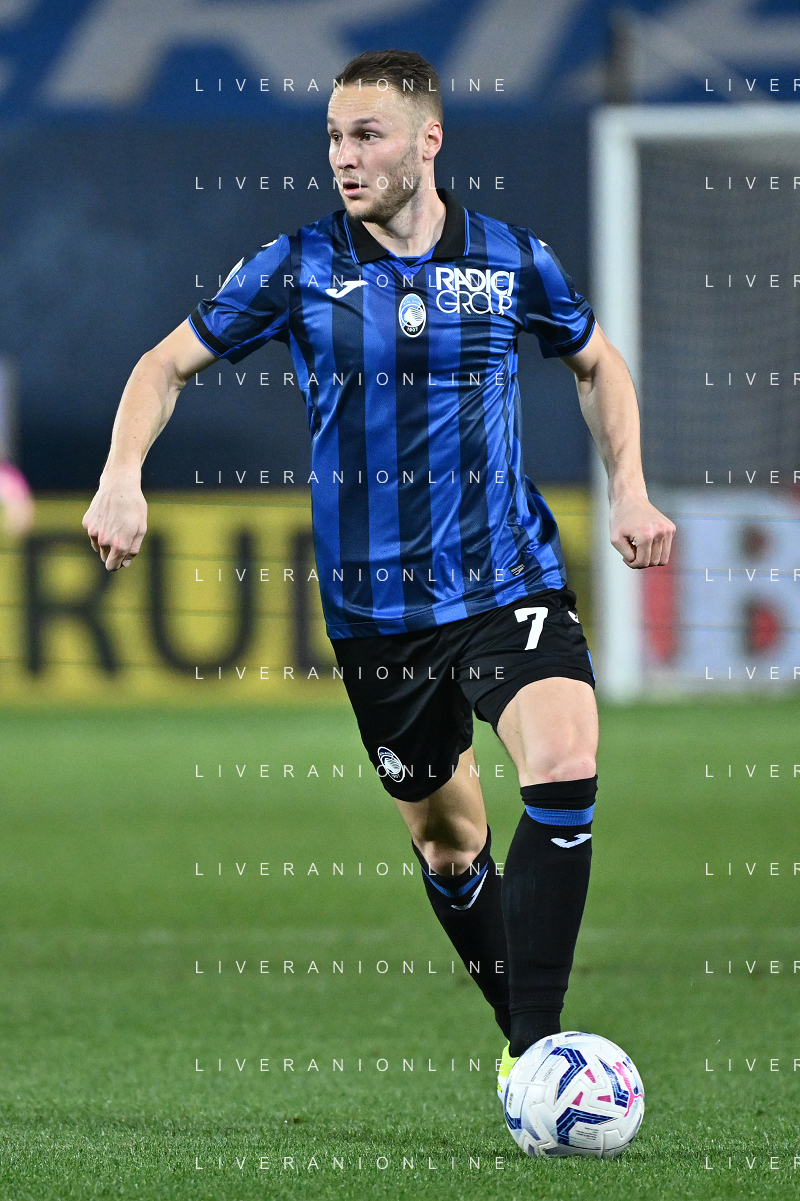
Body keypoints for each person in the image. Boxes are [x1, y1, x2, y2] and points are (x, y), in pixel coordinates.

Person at [82, 49, 674, 1098]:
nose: (343, 157)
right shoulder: (297, 266)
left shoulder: (510, 260)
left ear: (427, 141)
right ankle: (526, 1036)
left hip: (507, 579)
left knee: (562, 760)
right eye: (333, 138)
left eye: (366, 135)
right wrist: (121, 475)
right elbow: (161, 365)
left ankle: (540, 1056)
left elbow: (597, 362)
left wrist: (628, 487)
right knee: (450, 846)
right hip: (378, 616)